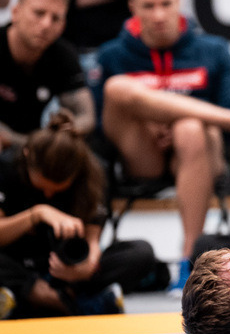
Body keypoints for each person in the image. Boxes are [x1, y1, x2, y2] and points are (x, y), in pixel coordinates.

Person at [93, 0, 230, 288]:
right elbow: (100, 130)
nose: (159, 14)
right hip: (142, 156)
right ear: (133, 7)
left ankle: (189, 260)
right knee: (116, 89)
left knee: (189, 128)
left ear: (179, 1)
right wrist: (149, 120)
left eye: (166, 3)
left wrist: (178, 118)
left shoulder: (213, 49)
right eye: (148, 6)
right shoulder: (111, 56)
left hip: (200, 153)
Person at [0, 110, 153, 319]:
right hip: (18, 263)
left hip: (67, 267)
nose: (48, 195)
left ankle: (36, 303)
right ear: (27, 156)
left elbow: (93, 239)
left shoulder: (93, 171)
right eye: (42, 187)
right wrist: (37, 214)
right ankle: (60, 301)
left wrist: (86, 266)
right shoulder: (7, 166)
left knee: (140, 253)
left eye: (57, 190)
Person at [0, 0, 95, 154]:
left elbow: (86, 116)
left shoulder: (63, 55)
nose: (46, 24)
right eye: (39, 13)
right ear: (16, 12)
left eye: (55, 18)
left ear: (63, 26)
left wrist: (70, 127)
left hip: (37, 149)